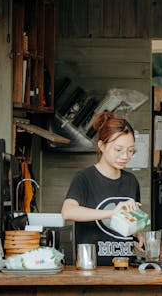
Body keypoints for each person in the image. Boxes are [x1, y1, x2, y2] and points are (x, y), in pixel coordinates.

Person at [61, 111, 144, 266]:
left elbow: (128, 221)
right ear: (102, 146)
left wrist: (136, 234)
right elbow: (68, 211)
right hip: (92, 268)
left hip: (125, 267)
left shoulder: (131, 181)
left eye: (130, 150)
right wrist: (112, 213)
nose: (125, 156)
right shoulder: (84, 178)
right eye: (118, 150)